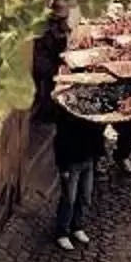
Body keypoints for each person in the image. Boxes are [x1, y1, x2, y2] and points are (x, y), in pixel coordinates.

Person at [46, 93, 104, 249]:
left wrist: (96, 155)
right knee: (69, 199)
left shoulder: (91, 112)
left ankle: (77, 226)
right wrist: (63, 166)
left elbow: (98, 133)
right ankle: (62, 232)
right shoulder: (68, 116)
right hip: (72, 162)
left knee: (85, 196)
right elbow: (61, 140)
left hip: (88, 160)